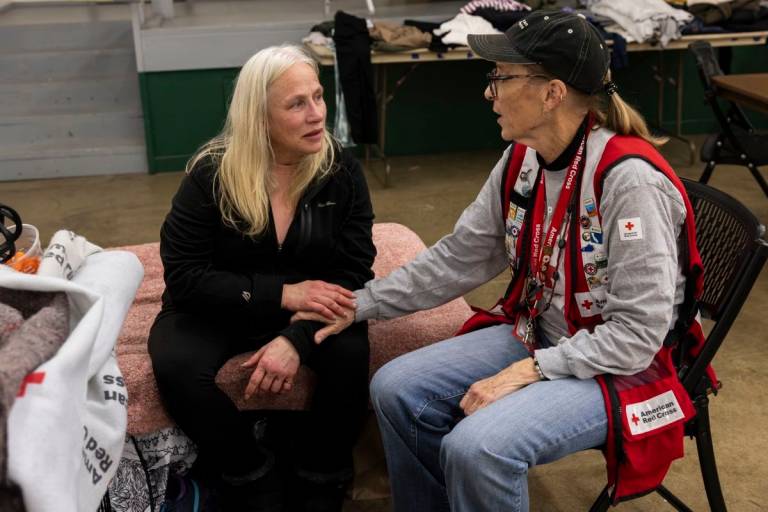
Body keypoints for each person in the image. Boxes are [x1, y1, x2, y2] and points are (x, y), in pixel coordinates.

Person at [296, 11, 707, 511]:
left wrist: (529, 370)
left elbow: (639, 336)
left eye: (501, 77)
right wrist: (360, 304)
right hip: (548, 336)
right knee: (394, 387)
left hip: (624, 367)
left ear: (552, 93)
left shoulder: (627, 181)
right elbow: (460, 256)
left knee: (478, 447)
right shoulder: (525, 158)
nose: (489, 92)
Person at [147, 44, 376, 512]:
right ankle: (249, 470)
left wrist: (296, 340)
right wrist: (282, 293)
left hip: (312, 306)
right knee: (176, 366)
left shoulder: (341, 171)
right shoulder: (212, 174)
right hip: (223, 304)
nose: (317, 115)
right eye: (296, 104)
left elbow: (353, 272)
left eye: (318, 97)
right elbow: (186, 276)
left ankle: (322, 472)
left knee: (351, 354)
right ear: (259, 117)